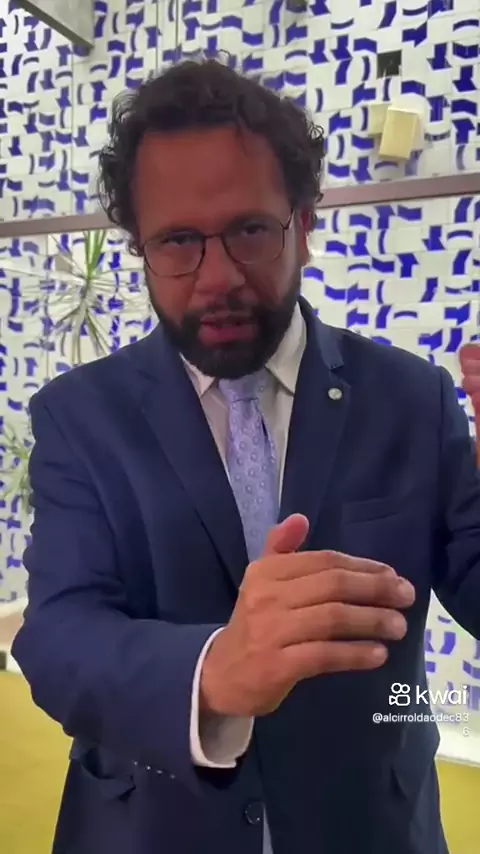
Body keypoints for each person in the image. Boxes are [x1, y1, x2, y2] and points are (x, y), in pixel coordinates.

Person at [12, 56, 480, 854]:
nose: (218, 277)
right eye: (178, 241)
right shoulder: (79, 415)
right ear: (139, 248)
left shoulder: (411, 397)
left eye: (251, 231)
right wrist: (215, 671)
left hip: (368, 828)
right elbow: (57, 634)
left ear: (305, 225)